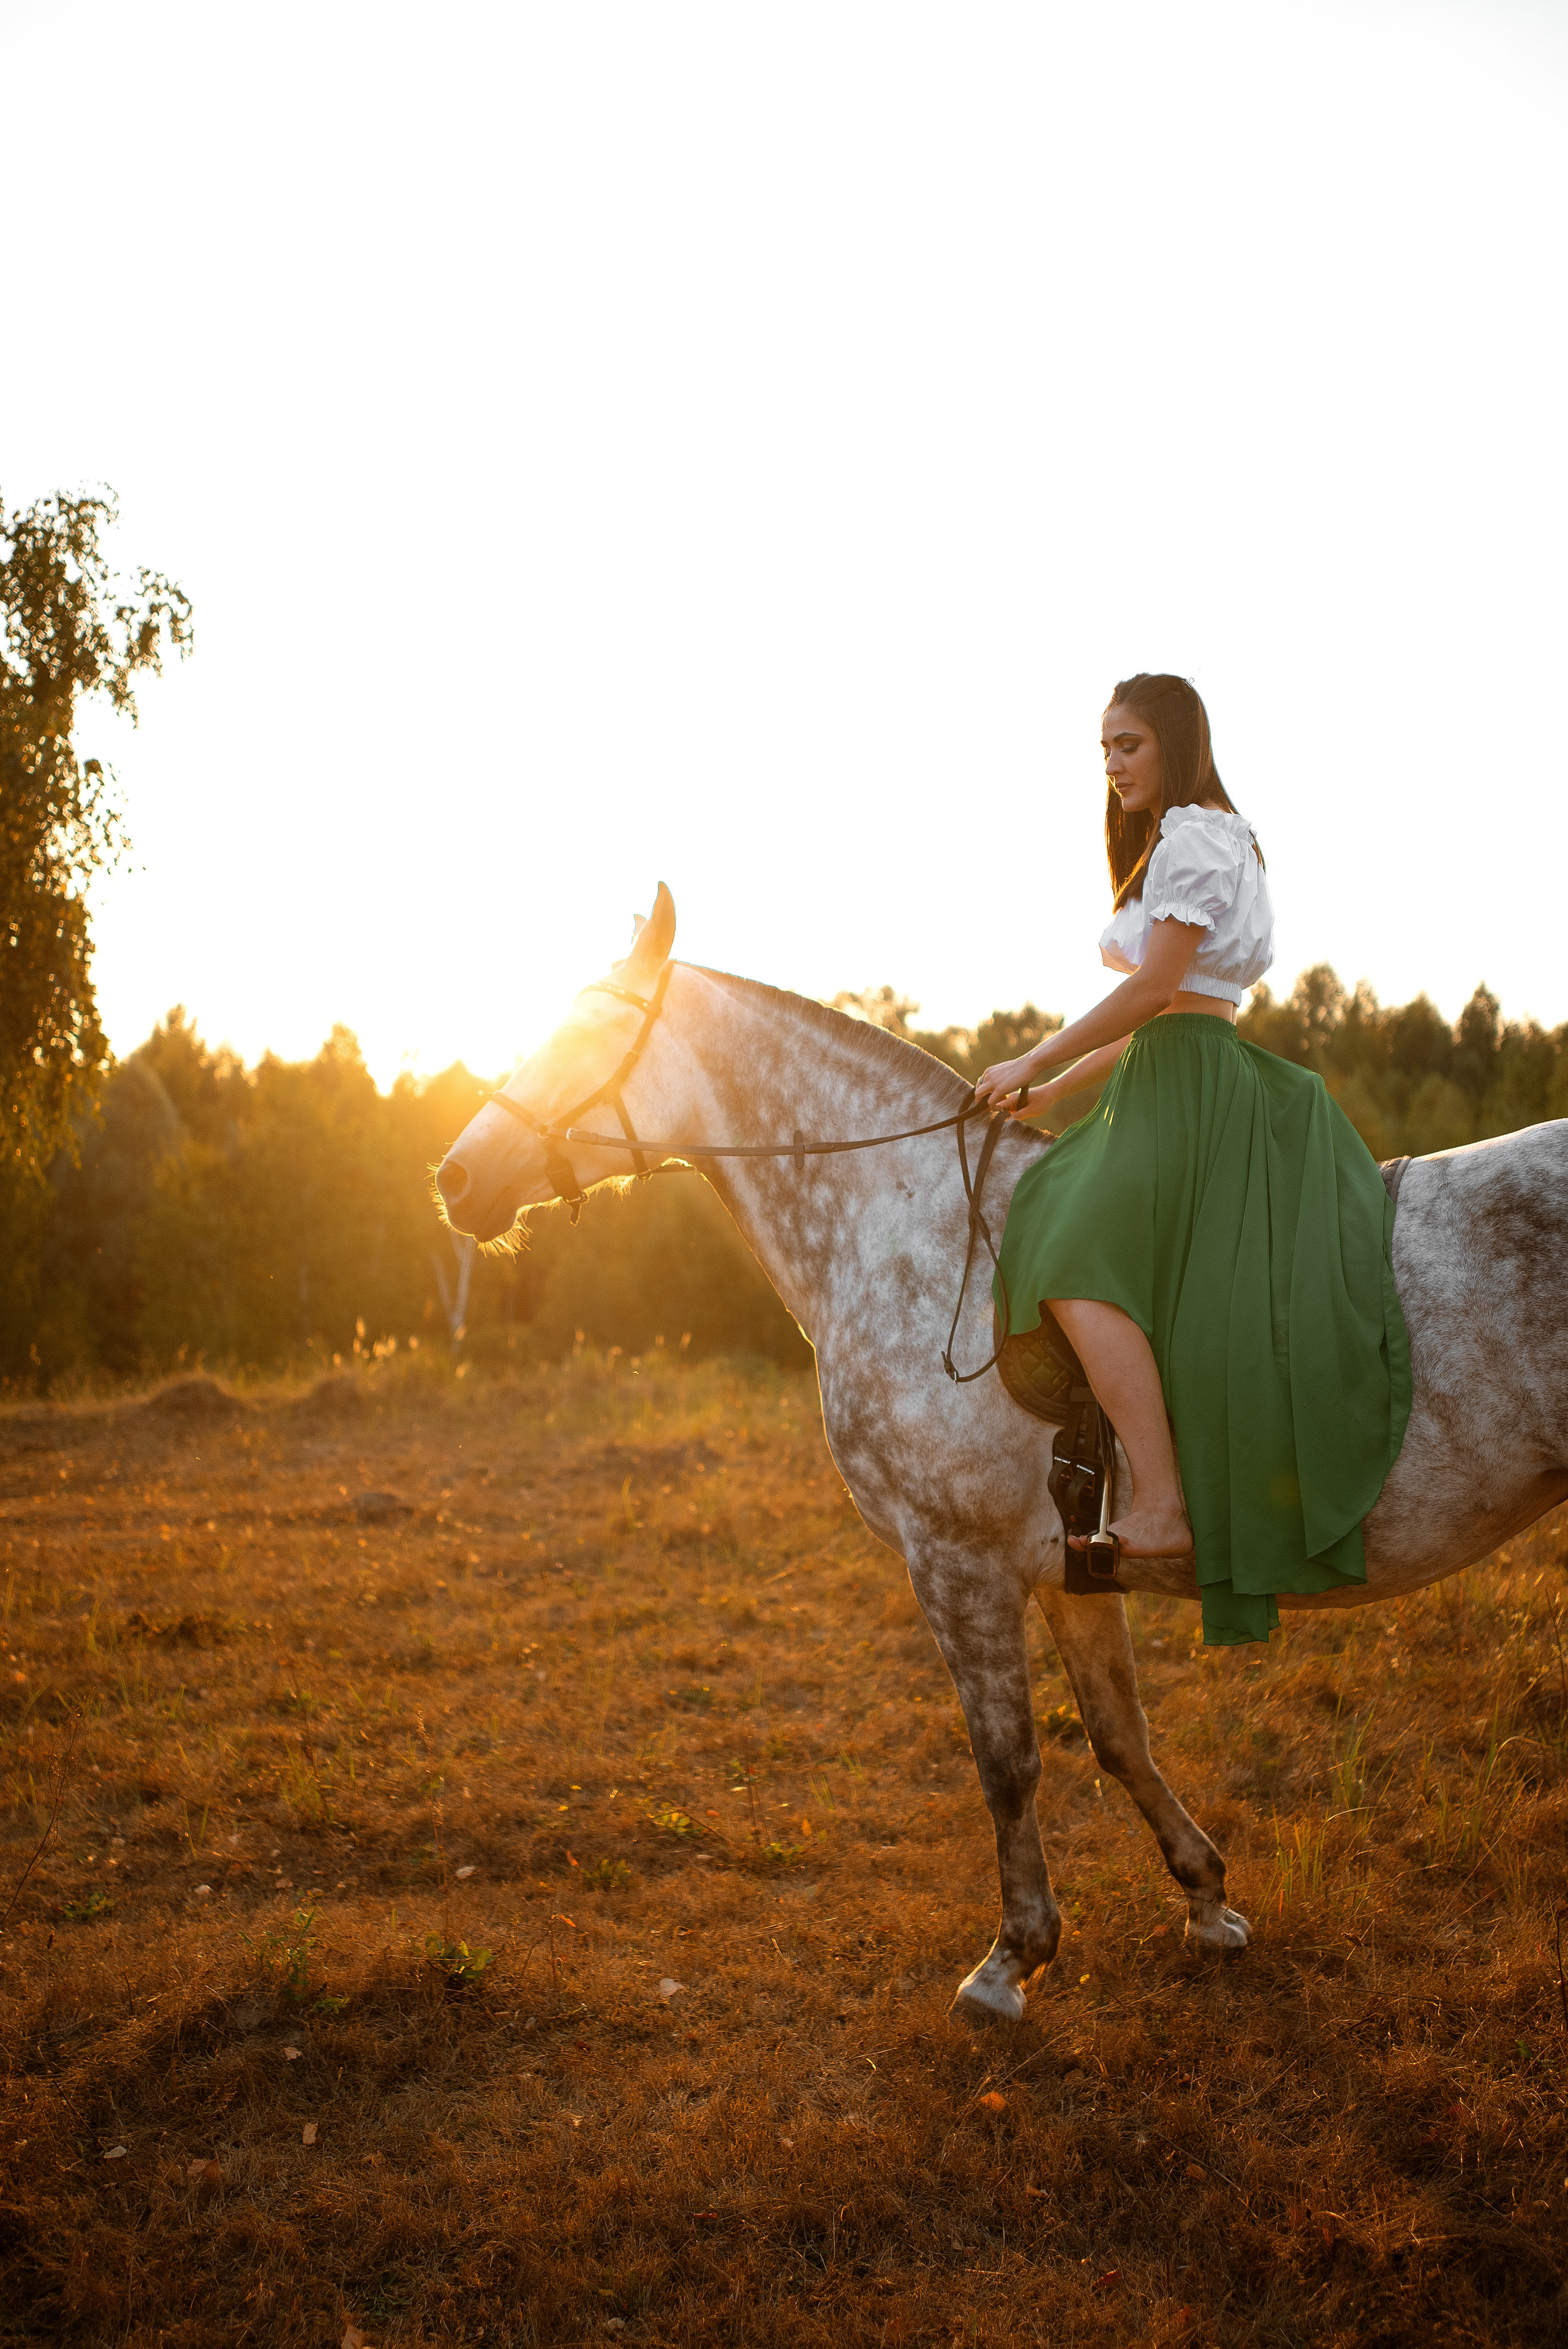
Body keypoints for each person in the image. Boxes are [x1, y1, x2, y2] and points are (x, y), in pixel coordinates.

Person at [972, 673, 1410, 1644]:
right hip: (1170, 1073)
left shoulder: (1199, 834)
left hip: (1194, 1088)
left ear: (1173, 741)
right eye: (1103, 749)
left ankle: (1162, 1500)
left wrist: (1036, 1052)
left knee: (1067, 1254)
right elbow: (1154, 1018)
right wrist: (1053, 1094)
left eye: (1127, 743)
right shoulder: (1197, 839)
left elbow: (1155, 991)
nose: (1113, 763)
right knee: (1060, 1214)